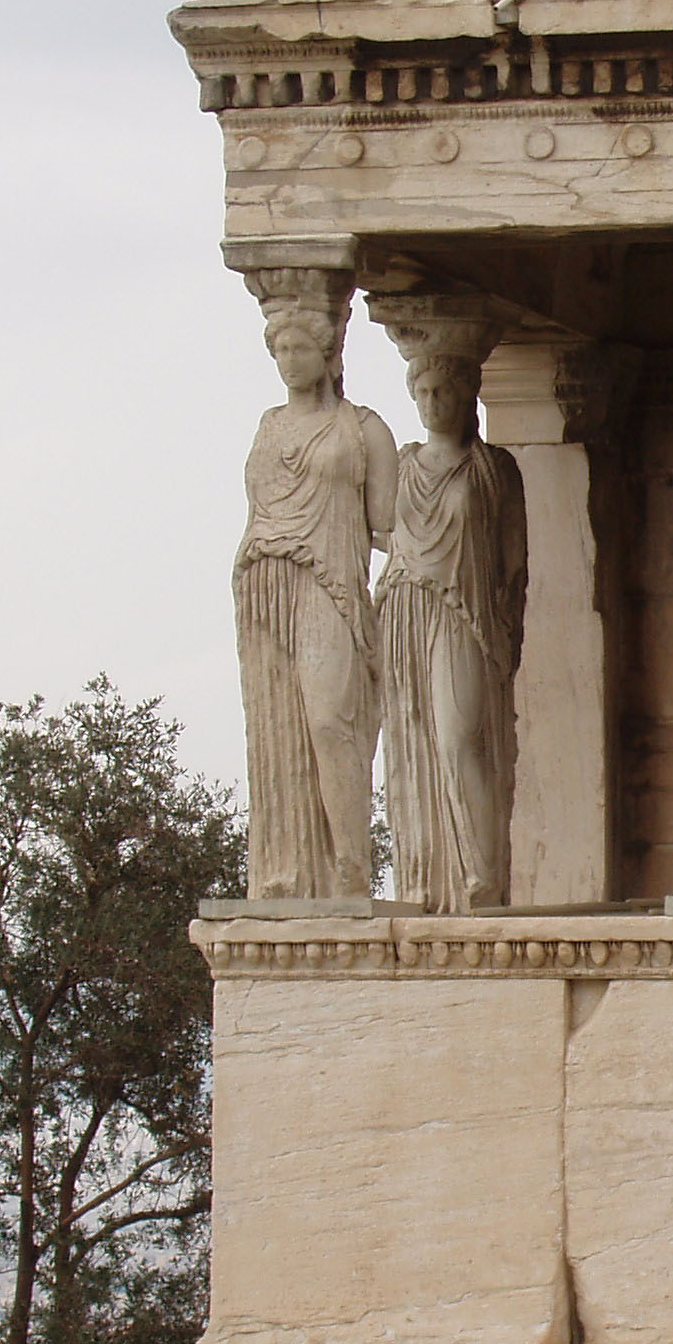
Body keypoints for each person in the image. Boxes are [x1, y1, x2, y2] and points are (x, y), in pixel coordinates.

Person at [233, 298, 397, 899]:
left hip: (330, 582)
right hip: (263, 583)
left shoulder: (363, 428)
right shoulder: (268, 425)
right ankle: (291, 874)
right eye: (279, 350)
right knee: (280, 729)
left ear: (329, 354)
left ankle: (351, 867)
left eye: (300, 348)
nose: (288, 361)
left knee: (330, 721)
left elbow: (390, 526)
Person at [377, 339, 526, 912]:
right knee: (414, 739)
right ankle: (428, 879)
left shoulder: (494, 469)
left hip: (468, 614)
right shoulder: (404, 463)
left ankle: (482, 874)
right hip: (407, 610)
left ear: (469, 394)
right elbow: (377, 530)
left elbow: (513, 561)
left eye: (444, 390)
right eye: (423, 392)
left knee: (459, 737)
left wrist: (506, 629)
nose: (433, 401)